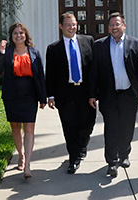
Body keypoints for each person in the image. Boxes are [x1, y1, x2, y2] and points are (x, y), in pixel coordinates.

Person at [88, 12, 138, 177]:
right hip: (108, 94)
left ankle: (124, 154)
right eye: (111, 25)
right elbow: (94, 72)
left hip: (129, 93)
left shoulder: (136, 44)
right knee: (111, 128)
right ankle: (112, 162)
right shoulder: (100, 45)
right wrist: (92, 94)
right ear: (108, 28)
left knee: (127, 126)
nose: (114, 27)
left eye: (117, 24)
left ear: (124, 25)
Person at [0, 22, 47, 179]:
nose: (19, 36)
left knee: (29, 128)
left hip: (30, 96)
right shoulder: (7, 53)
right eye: (15, 33)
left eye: (21, 33)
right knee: (16, 127)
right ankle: (21, 157)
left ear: (26, 35)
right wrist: (1, 52)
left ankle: (27, 164)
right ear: (11, 37)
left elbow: (40, 77)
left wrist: (42, 97)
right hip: (11, 96)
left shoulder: (34, 53)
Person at [45, 13, 96, 174]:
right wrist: (51, 95)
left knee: (88, 123)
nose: (71, 27)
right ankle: (74, 158)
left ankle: (81, 147)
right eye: (68, 25)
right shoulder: (53, 48)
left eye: (74, 24)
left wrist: (94, 92)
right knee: (69, 126)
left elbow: (94, 69)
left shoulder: (88, 41)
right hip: (65, 93)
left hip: (85, 91)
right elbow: (51, 74)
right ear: (61, 26)